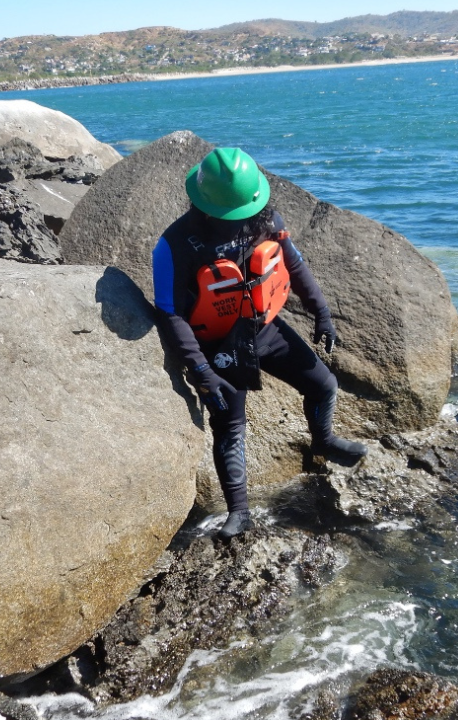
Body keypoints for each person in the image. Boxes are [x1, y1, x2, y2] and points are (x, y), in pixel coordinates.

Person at [152, 147, 367, 540]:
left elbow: (295, 265)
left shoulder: (266, 219)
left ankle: (324, 439)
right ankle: (240, 511)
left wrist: (322, 312)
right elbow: (170, 313)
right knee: (230, 428)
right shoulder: (175, 244)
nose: (244, 218)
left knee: (324, 384)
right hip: (217, 344)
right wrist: (201, 371)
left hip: (264, 328)